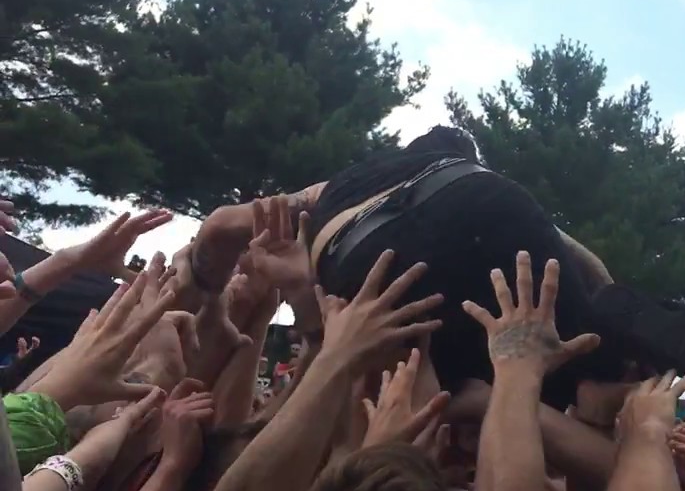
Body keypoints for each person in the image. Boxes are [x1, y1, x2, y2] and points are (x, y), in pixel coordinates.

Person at [180, 126, 622, 409]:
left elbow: (221, 223)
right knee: (572, 386)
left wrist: (205, 289)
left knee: (398, 393)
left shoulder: (352, 181)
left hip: (361, 246)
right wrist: (605, 340)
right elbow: (596, 272)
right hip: (505, 224)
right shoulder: (484, 184)